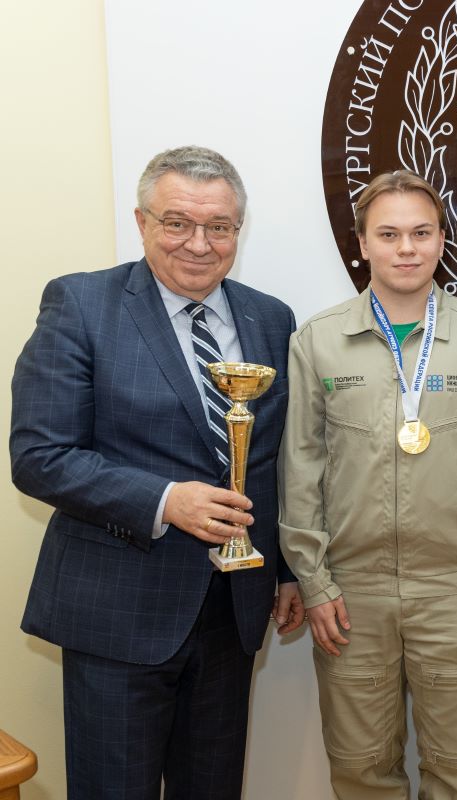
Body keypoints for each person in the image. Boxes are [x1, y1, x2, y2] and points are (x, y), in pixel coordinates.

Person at [10, 145, 303, 800]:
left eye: (218, 226)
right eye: (177, 222)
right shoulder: (81, 304)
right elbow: (39, 456)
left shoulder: (270, 318)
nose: (199, 243)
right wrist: (166, 500)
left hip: (232, 612)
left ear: (238, 230)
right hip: (118, 612)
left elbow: (272, 457)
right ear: (142, 222)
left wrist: (287, 570)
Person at [278, 169, 457, 799]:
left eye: (421, 233)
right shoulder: (318, 341)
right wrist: (314, 581)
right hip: (351, 596)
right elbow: (300, 469)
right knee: (361, 771)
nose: (406, 249)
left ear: (442, 239)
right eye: (388, 234)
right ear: (362, 243)